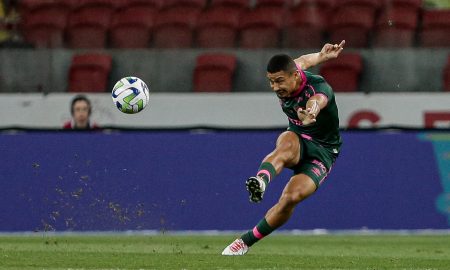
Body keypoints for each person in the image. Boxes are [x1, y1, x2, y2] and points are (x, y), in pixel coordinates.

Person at [221, 40, 345, 255]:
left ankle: (246, 241)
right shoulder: (293, 70)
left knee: (291, 198)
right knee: (286, 144)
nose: (275, 87)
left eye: (279, 81)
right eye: (271, 81)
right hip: (298, 136)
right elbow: (305, 60)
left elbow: (318, 100)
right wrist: (322, 56)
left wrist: (311, 112)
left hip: (324, 151)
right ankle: (261, 181)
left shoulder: (320, 88)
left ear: (295, 76)